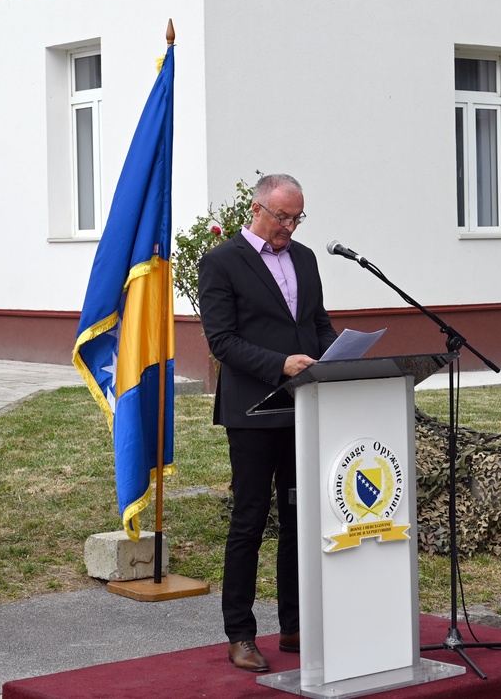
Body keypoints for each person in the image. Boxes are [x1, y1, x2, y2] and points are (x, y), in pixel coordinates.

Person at [198, 173, 337, 672]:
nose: (290, 227)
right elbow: (222, 340)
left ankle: (295, 625)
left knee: (301, 520)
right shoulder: (221, 262)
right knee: (250, 521)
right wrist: (280, 364)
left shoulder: (305, 258)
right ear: (257, 209)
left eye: (297, 218)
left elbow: (316, 323)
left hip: (304, 408)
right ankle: (240, 633)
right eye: (282, 217)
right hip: (254, 411)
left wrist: (336, 356)